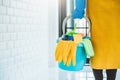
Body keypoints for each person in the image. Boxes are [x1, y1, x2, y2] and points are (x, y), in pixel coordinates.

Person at [87, 0, 120, 80]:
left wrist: (79, 8)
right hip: (111, 10)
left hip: (99, 9)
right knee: (108, 48)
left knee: (101, 50)